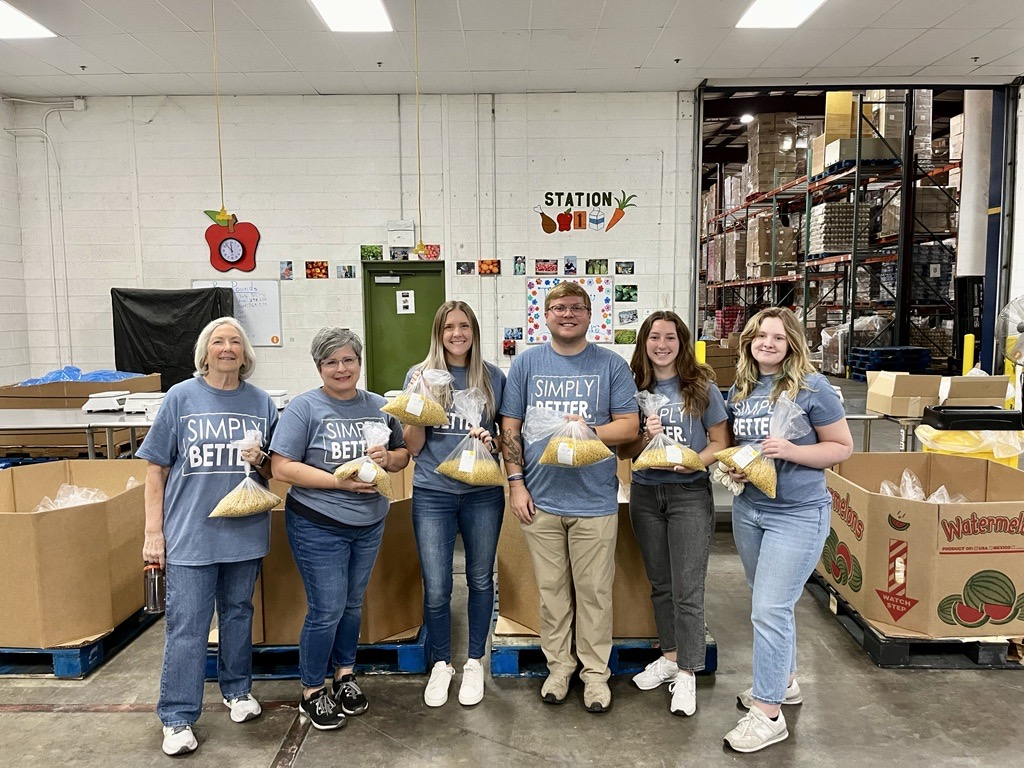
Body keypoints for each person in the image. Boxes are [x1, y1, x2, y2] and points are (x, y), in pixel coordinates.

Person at [138, 317, 278, 757]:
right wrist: (153, 533)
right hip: (191, 534)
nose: (227, 348)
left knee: (238, 614)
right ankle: (177, 716)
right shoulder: (181, 398)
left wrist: (262, 458)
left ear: (245, 353)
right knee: (188, 626)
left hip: (245, 532)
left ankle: (237, 691)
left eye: (235, 341)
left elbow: (275, 468)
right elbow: (155, 471)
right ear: (205, 351)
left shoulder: (261, 402)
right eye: (218, 341)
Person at [500, 281, 639, 713]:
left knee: (595, 592)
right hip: (540, 501)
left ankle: (595, 676)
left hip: (594, 502)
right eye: (558, 308)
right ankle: (559, 669)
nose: (567, 314)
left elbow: (629, 427)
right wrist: (516, 483)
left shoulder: (611, 366)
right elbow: (510, 427)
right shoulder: (526, 365)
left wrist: (586, 430)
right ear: (545, 315)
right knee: (552, 592)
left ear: (589, 314)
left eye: (576, 307)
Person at [721, 307, 853, 753]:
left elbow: (841, 448)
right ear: (749, 342)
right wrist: (738, 470)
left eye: (778, 337)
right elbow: (743, 447)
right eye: (761, 336)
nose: (768, 344)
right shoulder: (741, 390)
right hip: (750, 510)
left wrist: (791, 452)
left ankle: (768, 712)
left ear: (792, 343)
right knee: (768, 603)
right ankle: (786, 680)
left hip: (797, 514)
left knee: (769, 609)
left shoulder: (814, 389)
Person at [269, 328, 409, 731]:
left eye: (348, 360)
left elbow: (401, 456)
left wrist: (389, 456)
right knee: (326, 608)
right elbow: (281, 468)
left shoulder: (381, 406)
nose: (341, 368)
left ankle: (345, 674)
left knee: (351, 604)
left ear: (359, 363)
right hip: (318, 523)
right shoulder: (304, 408)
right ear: (319, 367)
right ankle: (312, 690)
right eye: (331, 362)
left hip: (369, 522)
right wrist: (337, 481)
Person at [616, 311, 729, 717]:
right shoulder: (632, 387)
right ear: (643, 342)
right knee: (660, 583)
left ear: (682, 343)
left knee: (687, 588)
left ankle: (687, 673)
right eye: (654, 337)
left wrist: (695, 462)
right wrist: (642, 437)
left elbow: (720, 440)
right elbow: (625, 453)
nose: (661, 344)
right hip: (646, 494)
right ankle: (668, 655)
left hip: (689, 496)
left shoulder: (700, 386)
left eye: (670, 338)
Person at [403, 301, 507, 708]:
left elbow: (505, 441)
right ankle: (442, 663)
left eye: (464, 326)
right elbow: (413, 447)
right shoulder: (421, 375)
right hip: (433, 492)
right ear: (438, 332)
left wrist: (490, 443)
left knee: (481, 579)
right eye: (449, 327)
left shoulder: (493, 377)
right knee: (438, 585)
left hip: (482, 493)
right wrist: (418, 408)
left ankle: (475, 661)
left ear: (474, 332)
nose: (457, 334)